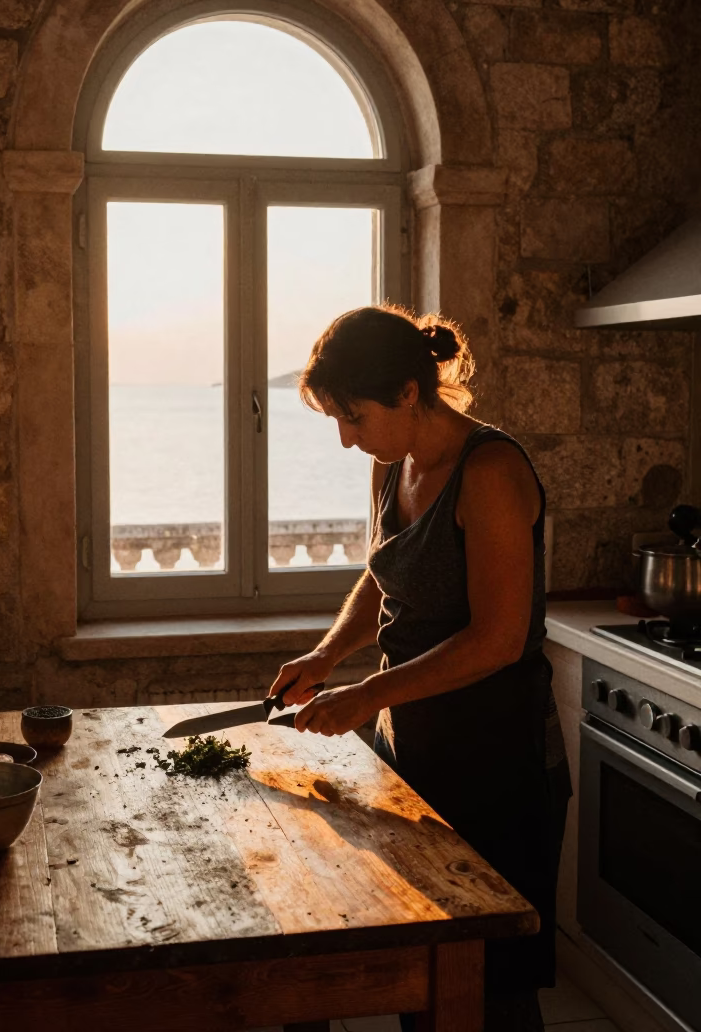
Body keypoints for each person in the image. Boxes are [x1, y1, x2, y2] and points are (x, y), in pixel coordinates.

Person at [269, 304, 571, 1032]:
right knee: (428, 971)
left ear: (409, 393)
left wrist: (366, 694)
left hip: (499, 763)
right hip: (417, 755)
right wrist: (326, 654)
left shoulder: (490, 471)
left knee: (487, 989)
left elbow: (498, 640)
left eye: (354, 417)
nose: (346, 440)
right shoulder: (394, 465)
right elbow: (385, 574)